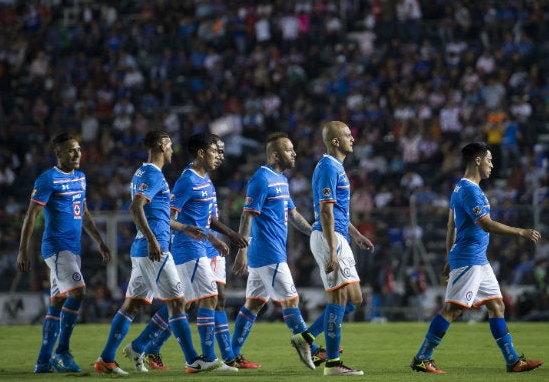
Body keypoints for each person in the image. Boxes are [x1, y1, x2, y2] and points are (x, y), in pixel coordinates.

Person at [93, 130, 226, 375]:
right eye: (170, 145)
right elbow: (135, 208)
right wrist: (154, 240)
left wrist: (184, 227)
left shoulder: (143, 173)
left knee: (131, 306)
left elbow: (160, 215)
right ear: (161, 145)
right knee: (179, 302)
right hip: (155, 250)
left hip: (142, 249)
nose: (172, 150)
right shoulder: (153, 175)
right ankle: (194, 361)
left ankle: (106, 359)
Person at [409, 141, 542, 374]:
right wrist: (520, 232)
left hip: (478, 260)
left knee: (497, 305)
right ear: (478, 161)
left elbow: (451, 225)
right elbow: (487, 224)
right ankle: (422, 358)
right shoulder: (470, 190)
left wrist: (448, 258)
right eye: (489, 160)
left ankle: (512, 361)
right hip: (469, 259)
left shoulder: (459, 188)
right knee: (452, 310)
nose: (492, 165)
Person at [121, 133, 242, 373]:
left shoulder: (206, 179)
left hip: (202, 246)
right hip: (188, 248)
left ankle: (141, 344)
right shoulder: (187, 181)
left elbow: (207, 218)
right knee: (208, 298)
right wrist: (199, 234)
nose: (220, 156)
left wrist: (218, 237)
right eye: (215, 151)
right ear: (201, 152)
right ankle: (207, 357)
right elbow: (170, 217)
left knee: (183, 304)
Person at [17, 133, 111, 373]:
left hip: (73, 249)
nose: (77, 154)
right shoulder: (47, 180)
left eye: (78, 149)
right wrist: (23, 251)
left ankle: (43, 361)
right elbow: (31, 215)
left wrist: (99, 241)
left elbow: (84, 213)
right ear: (58, 154)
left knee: (57, 302)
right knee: (79, 292)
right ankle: (62, 352)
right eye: (71, 150)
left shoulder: (81, 177)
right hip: (57, 248)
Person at [230, 132, 320, 370]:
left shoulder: (281, 180)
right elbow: (247, 215)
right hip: (267, 253)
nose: (295, 153)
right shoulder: (260, 179)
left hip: (271, 253)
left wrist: (314, 233)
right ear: (275, 154)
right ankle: (313, 348)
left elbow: (294, 215)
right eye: (289, 150)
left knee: (254, 304)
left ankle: (233, 355)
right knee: (291, 300)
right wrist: (242, 250)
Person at [309, 121, 375, 376]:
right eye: (348, 135)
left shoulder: (336, 166)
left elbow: (337, 212)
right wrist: (333, 249)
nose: (353, 139)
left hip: (337, 235)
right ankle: (333, 364)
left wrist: (356, 235)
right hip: (328, 237)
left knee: (355, 298)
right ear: (335, 141)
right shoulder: (327, 167)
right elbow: (325, 212)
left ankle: (307, 338)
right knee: (338, 297)